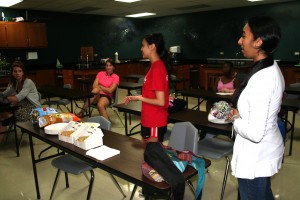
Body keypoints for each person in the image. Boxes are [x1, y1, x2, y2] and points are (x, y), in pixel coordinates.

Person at [229, 16, 284, 200]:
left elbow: (255, 133)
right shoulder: (267, 66)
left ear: (258, 42)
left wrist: (234, 118)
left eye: (244, 35)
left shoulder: (263, 79)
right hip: (260, 154)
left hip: (255, 159)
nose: (239, 40)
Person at [124, 33, 170, 142]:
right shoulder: (154, 66)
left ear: (152, 46)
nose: (141, 49)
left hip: (155, 121)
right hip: (148, 118)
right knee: (147, 155)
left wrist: (139, 98)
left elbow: (160, 101)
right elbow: (152, 95)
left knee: (153, 157)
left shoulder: (157, 68)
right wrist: (138, 97)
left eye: (143, 45)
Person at [0, 60, 41, 143]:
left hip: (34, 109)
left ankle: (8, 121)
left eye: (20, 71)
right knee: (7, 112)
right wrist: (2, 96)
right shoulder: (15, 83)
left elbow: (18, 97)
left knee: (16, 113)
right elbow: (4, 94)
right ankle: (6, 121)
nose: (17, 73)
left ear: (23, 72)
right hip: (22, 106)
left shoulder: (28, 82)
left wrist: (6, 99)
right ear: (12, 73)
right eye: (15, 71)